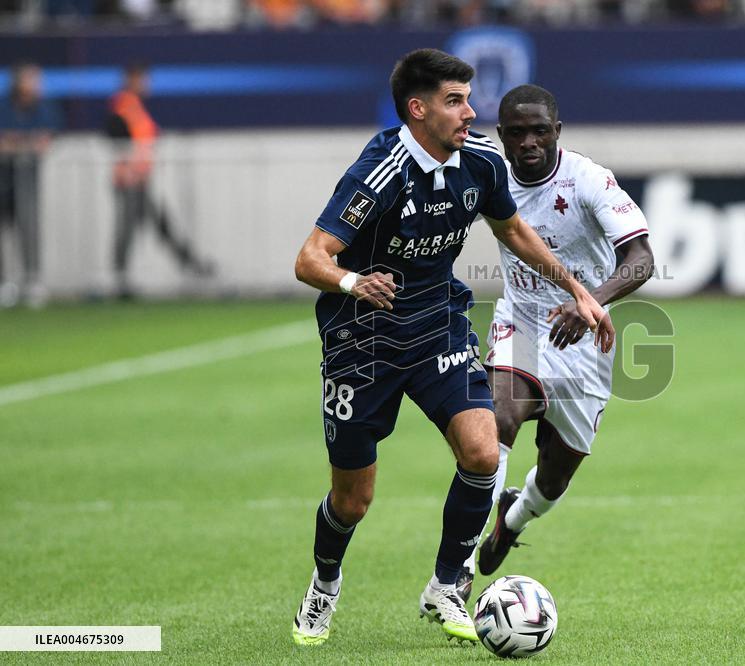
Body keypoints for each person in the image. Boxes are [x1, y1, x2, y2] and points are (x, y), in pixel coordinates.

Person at [290, 49, 613, 646]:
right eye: (455, 101)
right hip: (363, 342)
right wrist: (353, 281)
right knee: (353, 500)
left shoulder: (482, 163)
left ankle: (445, 586)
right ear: (418, 109)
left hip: (437, 325)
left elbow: (513, 230)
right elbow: (310, 258)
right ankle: (324, 586)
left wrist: (576, 289)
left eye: (468, 99)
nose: (471, 112)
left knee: (484, 454)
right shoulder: (378, 173)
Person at [474, 84, 654, 576]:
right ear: (501, 136)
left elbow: (641, 258)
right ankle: (459, 568)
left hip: (584, 340)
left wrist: (590, 301)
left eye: (539, 131)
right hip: (522, 322)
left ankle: (510, 521)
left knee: (553, 481)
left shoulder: (588, 180)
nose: (528, 142)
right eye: (516, 133)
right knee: (499, 418)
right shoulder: (489, 178)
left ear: (557, 131)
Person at [106, 62, 212, 298]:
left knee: (158, 224)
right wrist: (130, 167)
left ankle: (189, 264)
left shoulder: (134, 106)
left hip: (140, 180)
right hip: (129, 180)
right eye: (142, 80)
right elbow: (116, 135)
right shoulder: (124, 105)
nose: (146, 84)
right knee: (131, 228)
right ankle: (120, 277)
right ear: (132, 80)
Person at [0, 62, 62, 308]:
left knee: (29, 227)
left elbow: (45, 138)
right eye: (31, 79)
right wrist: (21, 144)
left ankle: (32, 279)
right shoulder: (5, 105)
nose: (36, 85)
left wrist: (18, 144)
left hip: (27, 179)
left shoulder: (44, 106)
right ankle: (4, 282)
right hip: (3, 179)